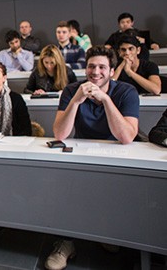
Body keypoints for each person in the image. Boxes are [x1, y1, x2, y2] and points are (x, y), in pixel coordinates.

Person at [49, 46, 139, 270]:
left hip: (117, 152)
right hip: (82, 151)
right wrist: (77, 101)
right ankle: (66, 242)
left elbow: (127, 136)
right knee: (64, 184)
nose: (95, 72)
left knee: (110, 194)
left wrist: (106, 100)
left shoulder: (126, 92)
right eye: (91, 66)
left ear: (110, 71)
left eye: (101, 67)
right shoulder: (72, 91)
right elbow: (60, 134)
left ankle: (103, 232)